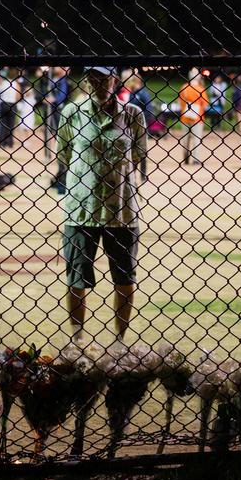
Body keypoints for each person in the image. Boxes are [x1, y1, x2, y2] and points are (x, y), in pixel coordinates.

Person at [57, 65, 148, 339]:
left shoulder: (132, 114)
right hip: (81, 208)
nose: (98, 83)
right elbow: (64, 153)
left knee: (125, 279)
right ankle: (78, 339)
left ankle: (120, 340)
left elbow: (137, 154)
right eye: (92, 78)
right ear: (86, 82)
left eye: (104, 78)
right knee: (76, 279)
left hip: (121, 209)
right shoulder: (72, 112)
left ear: (115, 81)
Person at [177, 68, 207, 165]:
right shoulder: (200, 89)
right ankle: (195, 159)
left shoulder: (184, 87)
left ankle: (185, 158)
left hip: (185, 116)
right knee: (196, 139)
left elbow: (180, 102)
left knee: (185, 138)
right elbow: (205, 104)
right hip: (197, 118)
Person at [42, 66, 71, 161]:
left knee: (59, 132)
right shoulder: (50, 79)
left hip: (58, 109)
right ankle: (47, 154)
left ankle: (61, 154)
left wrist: (53, 99)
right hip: (49, 109)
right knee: (47, 131)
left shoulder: (63, 81)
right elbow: (44, 90)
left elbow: (63, 95)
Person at [0, 70, 19, 148]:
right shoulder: (16, 83)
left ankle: (2, 143)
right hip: (12, 104)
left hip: (4, 103)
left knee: (3, 124)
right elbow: (18, 96)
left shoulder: (4, 83)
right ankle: (10, 143)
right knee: (11, 125)